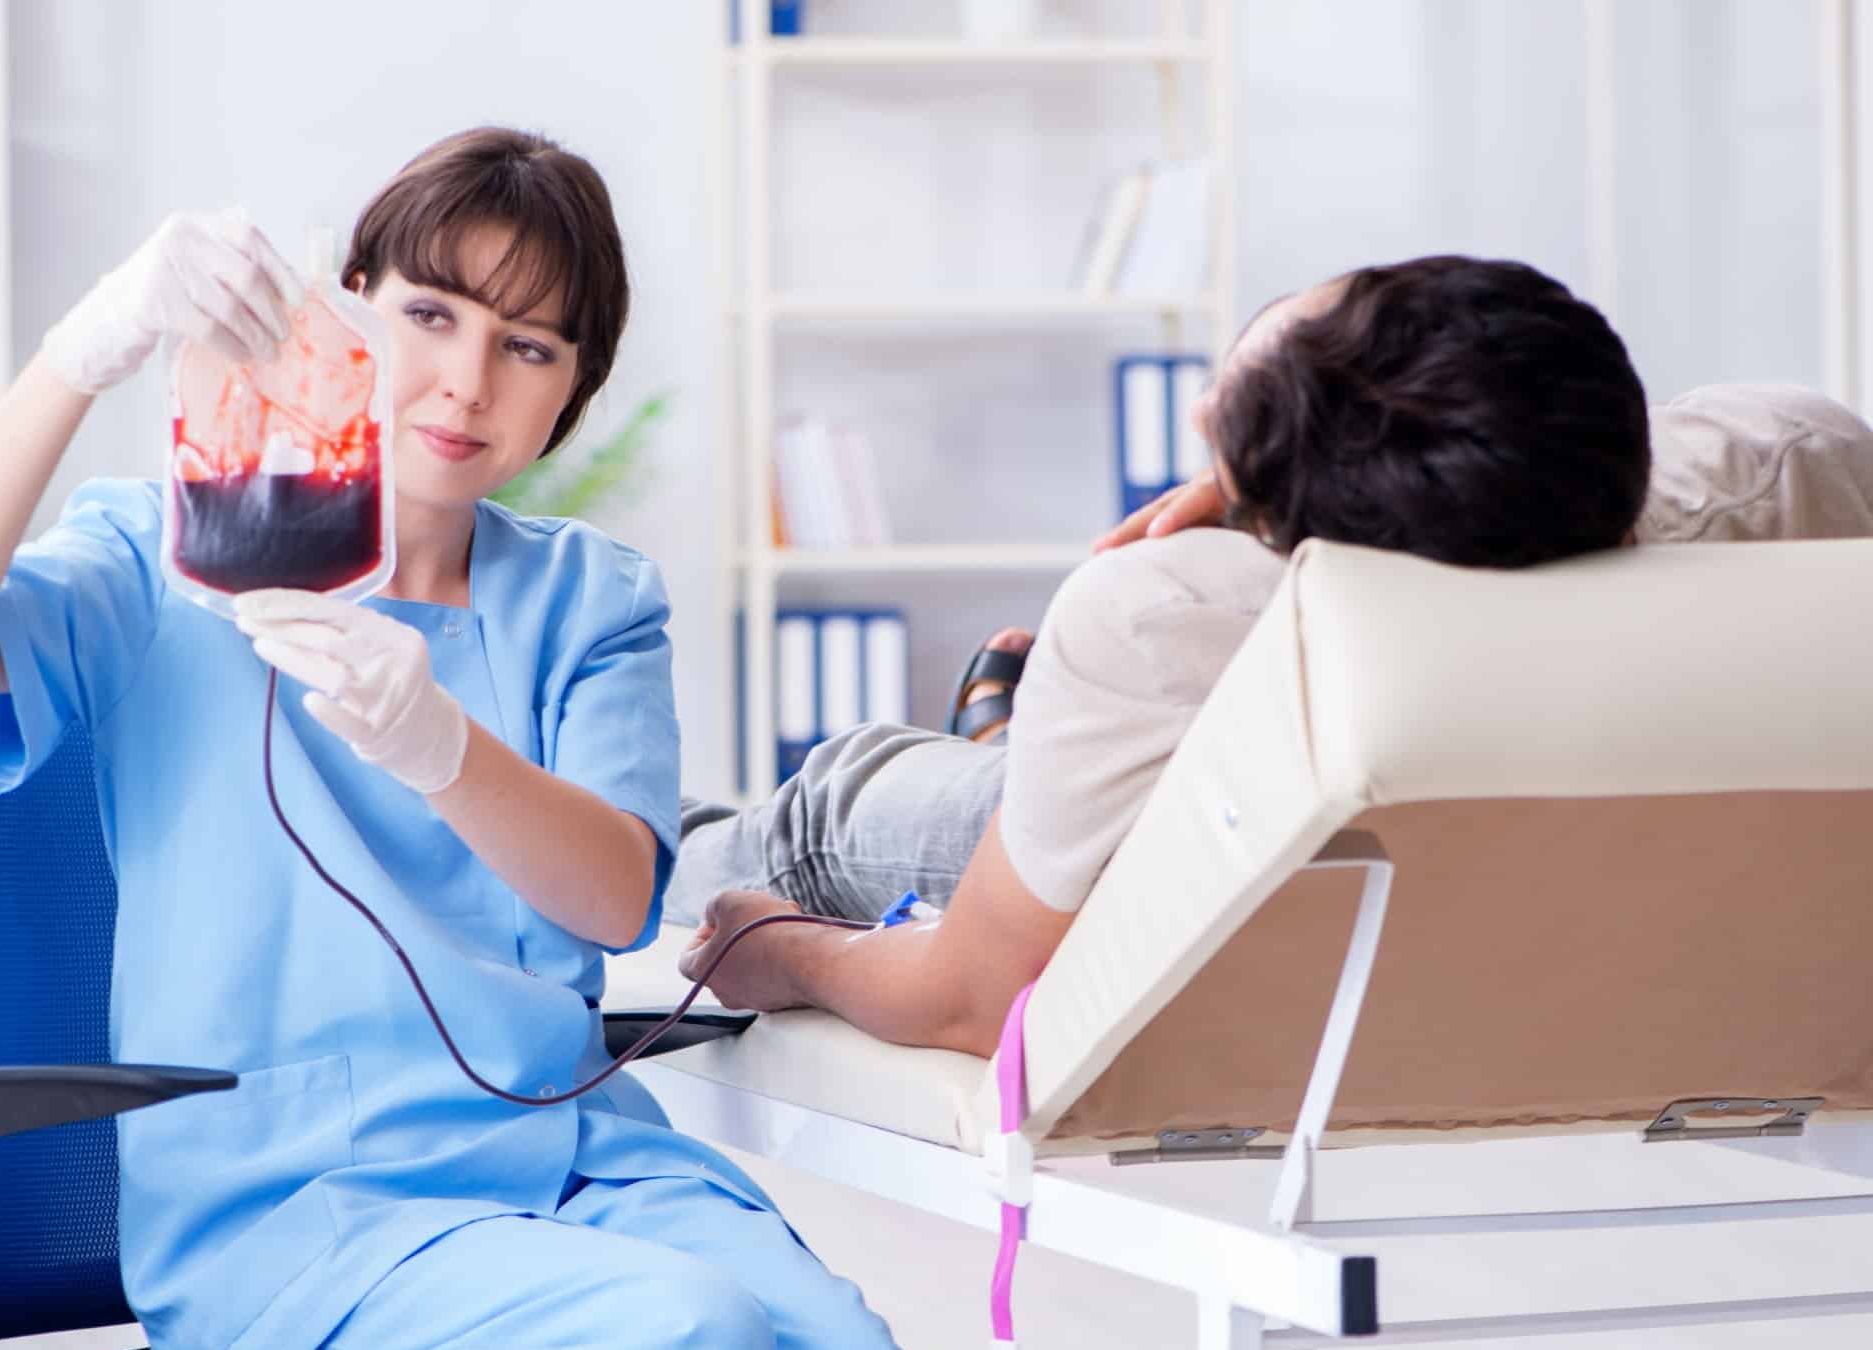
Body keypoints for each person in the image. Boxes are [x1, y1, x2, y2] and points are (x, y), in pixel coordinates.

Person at [0, 127, 935, 1350]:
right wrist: (80, 354)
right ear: (347, 310)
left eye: (526, 347)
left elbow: (614, 894)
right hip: (292, 1203)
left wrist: (441, 748)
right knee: (689, 1332)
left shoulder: (590, 598)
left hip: (567, 1160)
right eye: (430, 313)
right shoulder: (171, 565)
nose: (467, 379)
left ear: (566, 396)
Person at [672, 256, 1873, 1059]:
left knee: (822, 809)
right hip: (1608, 932)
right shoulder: (1795, 461)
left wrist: (779, 949)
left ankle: (994, 761)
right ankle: (1017, 744)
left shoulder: (1163, 621)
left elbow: (974, 999)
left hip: (1195, 841)